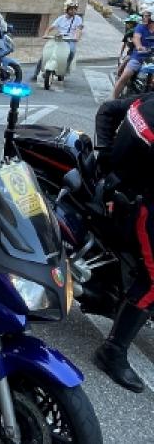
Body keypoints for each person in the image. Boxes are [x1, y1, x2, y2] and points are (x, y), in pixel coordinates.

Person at [91, 93, 154, 393]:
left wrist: (104, 153)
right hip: (137, 201)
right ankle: (112, 351)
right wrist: (105, 159)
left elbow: (108, 110)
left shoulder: (150, 97)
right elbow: (107, 111)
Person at [31, 0, 83, 82]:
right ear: (66, 9)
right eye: (71, 9)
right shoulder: (61, 18)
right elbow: (51, 27)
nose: (73, 11)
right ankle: (35, 74)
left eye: (75, 9)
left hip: (70, 40)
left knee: (72, 52)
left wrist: (77, 37)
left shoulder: (78, 19)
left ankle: (64, 70)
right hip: (59, 39)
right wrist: (46, 34)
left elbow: (79, 29)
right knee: (45, 54)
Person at [113, 8, 154, 99]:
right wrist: (139, 46)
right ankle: (113, 100)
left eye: (147, 16)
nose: (144, 17)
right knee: (125, 76)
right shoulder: (140, 27)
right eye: (144, 15)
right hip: (139, 56)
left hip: (152, 58)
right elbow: (136, 38)